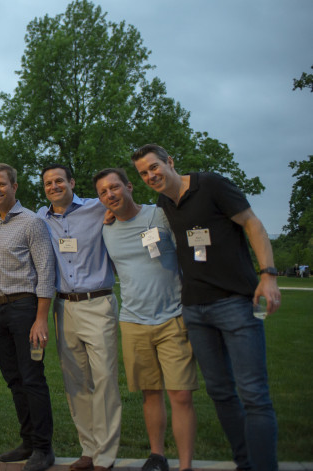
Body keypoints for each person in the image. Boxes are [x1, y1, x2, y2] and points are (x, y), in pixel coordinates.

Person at [132, 144, 281, 471]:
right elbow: (141, 219)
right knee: (221, 393)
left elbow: (252, 224)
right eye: (143, 173)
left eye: (154, 167)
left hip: (236, 305)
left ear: (170, 161)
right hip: (196, 311)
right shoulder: (164, 203)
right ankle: (245, 462)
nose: (150, 176)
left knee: (254, 395)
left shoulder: (211, 184)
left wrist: (267, 274)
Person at [93, 168, 198, 471]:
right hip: (133, 321)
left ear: (129, 186)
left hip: (173, 317)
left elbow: (188, 250)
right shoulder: (106, 228)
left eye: (114, 187)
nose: (110, 195)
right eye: (103, 192)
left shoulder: (159, 215)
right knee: (151, 394)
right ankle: (157, 456)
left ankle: (186, 465)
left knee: (180, 394)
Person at [36, 164, 120, 471]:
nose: (54, 186)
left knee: (105, 379)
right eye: (48, 183)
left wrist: (117, 211)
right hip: (64, 308)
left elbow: (130, 207)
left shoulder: (98, 207)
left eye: (59, 180)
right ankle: (89, 448)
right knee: (76, 383)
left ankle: (106, 456)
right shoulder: (41, 219)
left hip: (98, 303)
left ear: (72, 181)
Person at [0, 163, 56, 471]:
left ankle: (44, 448)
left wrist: (41, 319)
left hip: (25, 308)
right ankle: (27, 441)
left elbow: (46, 272)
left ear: (14, 186)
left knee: (32, 379)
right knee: (13, 379)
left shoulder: (32, 223)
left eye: (2, 184)